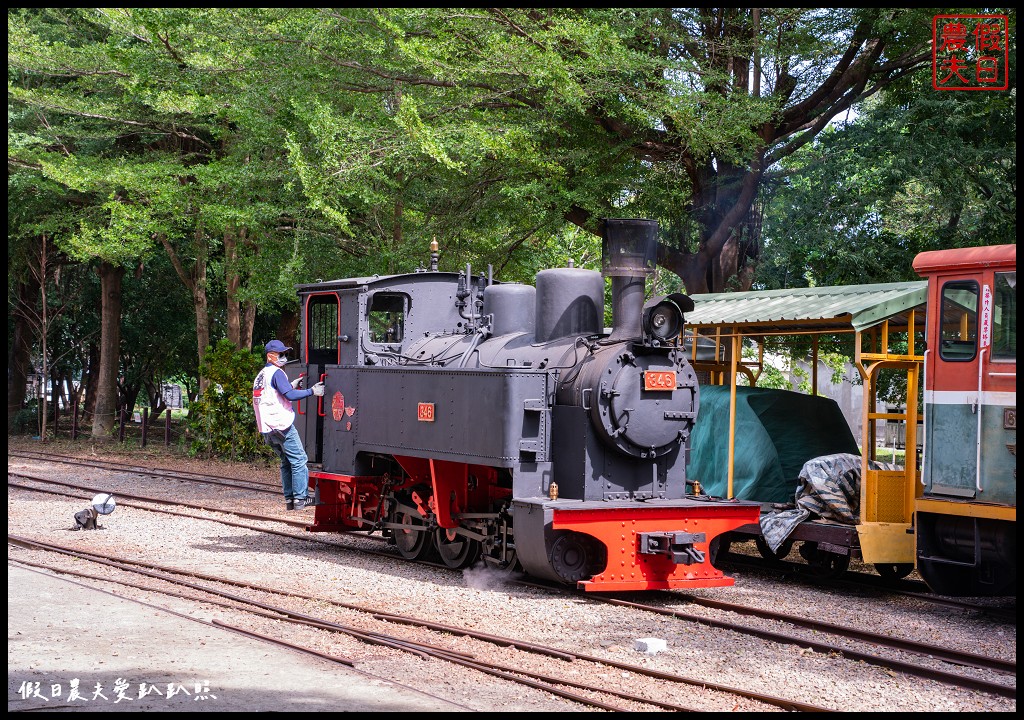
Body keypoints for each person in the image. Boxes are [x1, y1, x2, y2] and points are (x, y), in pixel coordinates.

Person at [252, 339, 324, 510]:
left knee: (286, 462)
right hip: (281, 426)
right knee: (299, 459)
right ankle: (301, 498)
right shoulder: (277, 373)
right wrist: (312, 391)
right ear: (270, 356)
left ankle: (290, 499)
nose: (284, 357)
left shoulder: (262, 374)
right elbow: (290, 396)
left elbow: (274, 393)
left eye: (285, 354)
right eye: (281, 354)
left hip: (267, 428)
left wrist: (291, 385)